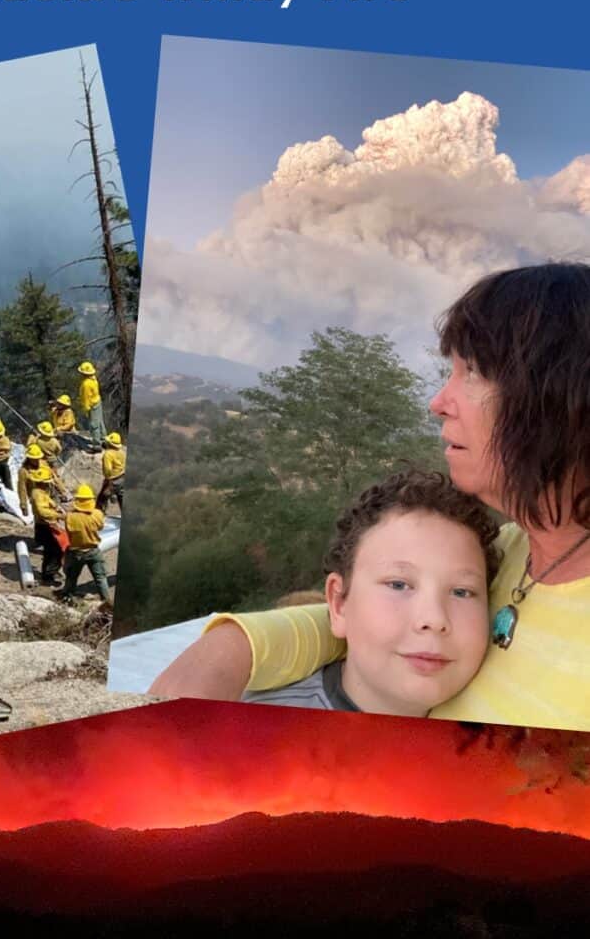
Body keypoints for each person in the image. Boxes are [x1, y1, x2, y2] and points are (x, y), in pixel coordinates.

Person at [149, 262, 590, 731]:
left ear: (559, 397)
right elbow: (370, 617)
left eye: (473, 372)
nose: (438, 401)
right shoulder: (508, 549)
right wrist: (232, 646)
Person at [242, 470, 498, 716]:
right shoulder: (248, 733)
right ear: (340, 603)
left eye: (462, 592)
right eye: (398, 585)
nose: (434, 619)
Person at [58, 484, 111, 606]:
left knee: (72, 577)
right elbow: (101, 526)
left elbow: (69, 531)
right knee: (101, 578)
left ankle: (67, 597)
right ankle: (107, 601)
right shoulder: (97, 514)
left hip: (76, 552)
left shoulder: (70, 517)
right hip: (93, 551)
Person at [27, 464, 65, 586]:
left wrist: (56, 506)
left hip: (46, 524)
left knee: (52, 551)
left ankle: (50, 572)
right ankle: (48, 576)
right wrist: (59, 516)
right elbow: (42, 511)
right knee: (54, 550)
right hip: (44, 525)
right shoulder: (38, 494)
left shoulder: (41, 491)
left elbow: (48, 501)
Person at [26, 421, 70, 499]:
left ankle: (51, 492)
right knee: (55, 476)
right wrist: (55, 454)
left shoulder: (38, 441)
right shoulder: (54, 441)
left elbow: (30, 445)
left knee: (46, 476)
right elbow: (59, 449)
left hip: (44, 461)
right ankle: (64, 492)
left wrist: (32, 435)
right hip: (54, 461)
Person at [77, 361, 105, 447]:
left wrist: (86, 410)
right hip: (97, 402)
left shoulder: (86, 384)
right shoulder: (94, 379)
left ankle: (97, 445)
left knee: (94, 425)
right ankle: (103, 438)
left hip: (92, 406)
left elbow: (86, 398)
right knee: (100, 422)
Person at [97, 431, 126, 513]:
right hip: (123, 477)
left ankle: (99, 517)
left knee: (101, 499)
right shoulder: (122, 452)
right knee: (122, 499)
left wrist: (107, 480)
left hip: (112, 480)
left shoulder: (108, 454)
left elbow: (108, 469)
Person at [17, 442, 45, 512]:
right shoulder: (23, 471)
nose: (36, 460)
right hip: (35, 498)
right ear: (29, 458)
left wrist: (62, 492)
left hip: (48, 495)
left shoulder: (44, 464)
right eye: (34, 459)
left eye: (38, 458)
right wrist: (23, 505)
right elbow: (22, 488)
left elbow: (54, 478)